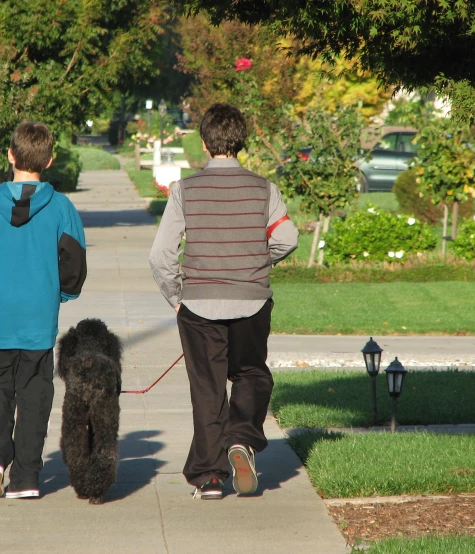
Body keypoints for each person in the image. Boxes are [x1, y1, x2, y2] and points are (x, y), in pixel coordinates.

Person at [149, 103, 298, 499]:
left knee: (207, 387)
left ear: (203, 143)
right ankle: (240, 440)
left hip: (198, 304)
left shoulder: (184, 190)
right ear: (243, 142)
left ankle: (210, 477)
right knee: (251, 373)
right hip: (251, 300)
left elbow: (160, 255)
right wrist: (253, 261)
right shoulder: (265, 189)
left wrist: (176, 298)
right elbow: (288, 238)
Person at [0, 121, 87, 499]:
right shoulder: (62, 208)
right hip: (38, 315)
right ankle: (26, 478)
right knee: (35, 391)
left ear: (10, 156)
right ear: (49, 160)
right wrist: (62, 294)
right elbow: (74, 266)